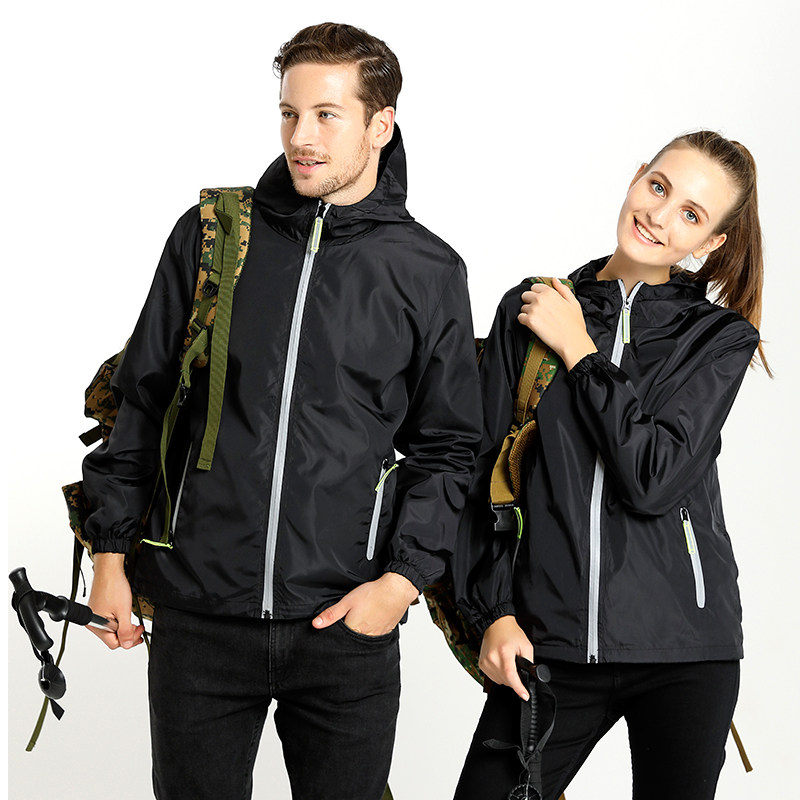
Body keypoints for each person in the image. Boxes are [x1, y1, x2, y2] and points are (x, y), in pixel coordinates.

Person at [80, 22, 482, 800]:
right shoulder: (212, 239)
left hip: (344, 625)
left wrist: (399, 584)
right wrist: (109, 555)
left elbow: (448, 446)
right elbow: (144, 399)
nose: (302, 137)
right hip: (199, 618)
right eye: (290, 114)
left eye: (327, 115)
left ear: (381, 124)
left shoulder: (427, 270)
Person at [452, 130, 767, 800]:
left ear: (710, 242)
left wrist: (581, 353)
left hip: (685, 652)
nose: (659, 215)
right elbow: (482, 473)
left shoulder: (717, 339)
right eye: (658, 187)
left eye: (691, 214)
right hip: (549, 646)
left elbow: (652, 477)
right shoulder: (530, 308)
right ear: (637, 176)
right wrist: (494, 613)